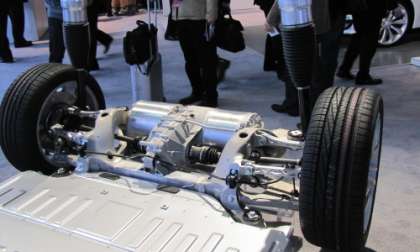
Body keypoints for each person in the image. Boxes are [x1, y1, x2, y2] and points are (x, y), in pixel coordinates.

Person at [266, 0, 345, 114]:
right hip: (328, 16)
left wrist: (271, 19)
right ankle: (311, 107)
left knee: (300, 63)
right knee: (320, 65)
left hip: (305, 20)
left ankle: (306, 110)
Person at [172, 0, 219, 107]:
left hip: (200, 19)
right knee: (190, 60)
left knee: (207, 61)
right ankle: (197, 92)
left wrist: (211, 16)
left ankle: (211, 97)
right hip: (180, 18)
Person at [337, 0, 396, 85]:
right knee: (370, 40)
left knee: (359, 36)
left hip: (358, 5)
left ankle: (344, 69)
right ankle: (363, 75)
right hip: (372, 6)